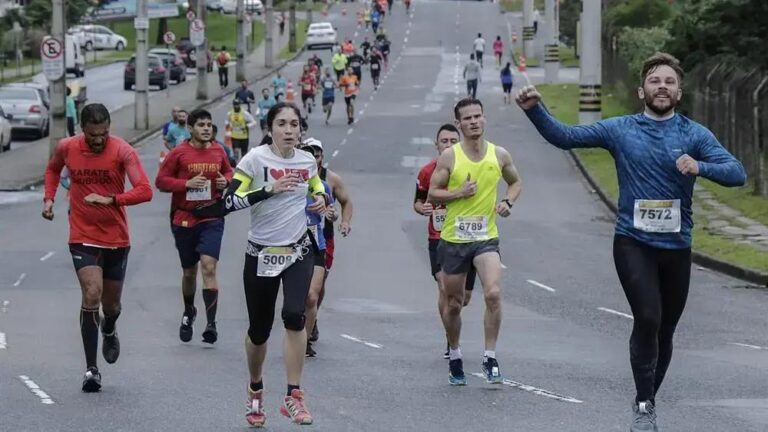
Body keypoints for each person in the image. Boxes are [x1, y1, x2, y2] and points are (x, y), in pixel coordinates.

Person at [515, 52, 747, 432]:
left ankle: (647, 399)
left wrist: (699, 166)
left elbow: (737, 173)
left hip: (677, 247)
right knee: (648, 317)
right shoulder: (621, 129)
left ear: (679, 92)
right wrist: (534, 111)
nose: (662, 87)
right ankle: (643, 405)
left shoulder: (693, 135)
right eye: (655, 81)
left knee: (666, 330)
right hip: (633, 242)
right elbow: (566, 137)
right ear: (642, 90)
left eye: (669, 82)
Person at [195, 102, 326, 427]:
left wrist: (322, 197)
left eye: (294, 124)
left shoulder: (307, 161)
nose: (289, 130)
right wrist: (267, 190)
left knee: (294, 316)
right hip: (262, 253)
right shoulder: (255, 159)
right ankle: (255, 390)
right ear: (270, 128)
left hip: (297, 250)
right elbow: (228, 202)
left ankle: (294, 395)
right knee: (259, 330)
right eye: (282, 124)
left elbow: (316, 186)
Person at [42, 103, 153, 392]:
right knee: (91, 293)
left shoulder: (122, 150)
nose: (98, 140)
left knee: (111, 305)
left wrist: (113, 200)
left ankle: (110, 326)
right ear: (82, 130)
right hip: (82, 234)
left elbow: (145, 190)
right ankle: (92, 369)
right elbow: (53, 170)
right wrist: (49, 198)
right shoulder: (67, 147)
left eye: (103, 133)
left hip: (116, 236)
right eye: (93, 135)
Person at [428, 98, 522, 386]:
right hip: (454, 240)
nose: (473, 122)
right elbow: (433, 193)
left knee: (493, 294)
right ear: (459, 123)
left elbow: (516, 182)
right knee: (455, 304)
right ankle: (455, 353)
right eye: (467, 118)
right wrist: (458, 192)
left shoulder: (499, 154)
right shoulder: (450, 158)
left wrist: (507, 201)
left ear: (484, 118)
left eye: (477, 116)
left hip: (486, 238)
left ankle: (490, 356)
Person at [156, 109, 233, 345]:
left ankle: (211, 324)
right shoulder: (179, 153)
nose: (207, 129)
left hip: (212, 217)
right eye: (201, 125)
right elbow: (161, 182)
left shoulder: (219, 150)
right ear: (190, 128)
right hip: (184, 217)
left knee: (209, 267)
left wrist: (226, 181)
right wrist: (185, 184)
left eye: (209, 124)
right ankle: (189, 310)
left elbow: (229, 171)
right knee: (190, 272)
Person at [414, 124, 476, 359]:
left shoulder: (469, 168)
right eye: (444, 141)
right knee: (444, 288)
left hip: (466, 238)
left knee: (462, 299)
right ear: (436, 144)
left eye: (453, 141)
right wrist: (424, 208)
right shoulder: (427, 172)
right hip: (438, 237)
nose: (448, 145)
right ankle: (451, 340)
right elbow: (418, 202)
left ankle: (452, 325)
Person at [307, 137, 353, 345]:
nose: (313, 158)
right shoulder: (294, 175)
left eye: (317, 154)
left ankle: (312, 315)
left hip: (323, 237)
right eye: (309, 154)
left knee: (318, 283)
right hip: (296, 237)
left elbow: (346, 201)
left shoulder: (331, 180)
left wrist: (344, 221)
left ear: (322, 157)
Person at [299, 138, 337, 357]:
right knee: (296, 301)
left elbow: (331, 210)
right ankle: (296, 330)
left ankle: (304, 340)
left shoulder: (322, 186)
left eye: (314, 156)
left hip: (316, 245)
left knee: (312, 296)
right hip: (290, 247)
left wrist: (332, 214)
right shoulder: (287, 184)